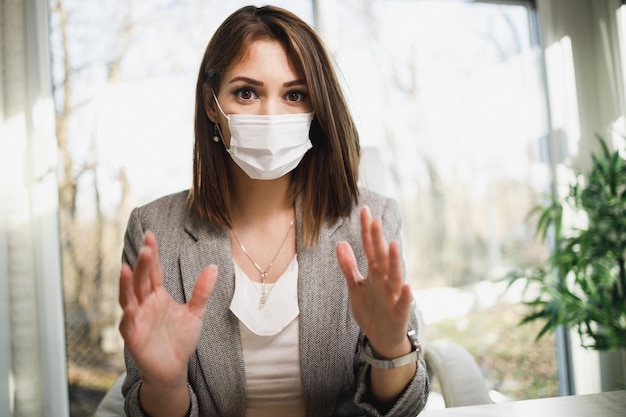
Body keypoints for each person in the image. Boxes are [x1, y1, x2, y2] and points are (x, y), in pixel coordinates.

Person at [118, 4, 429, 417]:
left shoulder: (372, 221)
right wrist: (165, 383)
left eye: (294, 95)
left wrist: (391, 349)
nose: (270, 115)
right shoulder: (154, 231)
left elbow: (403, 409)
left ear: (316, 108)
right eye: (247, 92)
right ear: (212, 105)